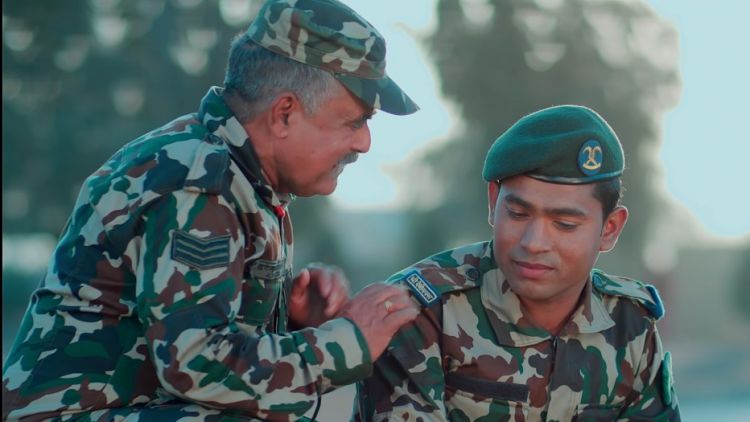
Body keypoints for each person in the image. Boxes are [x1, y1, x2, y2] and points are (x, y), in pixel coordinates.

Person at [2, 0, 422, 420]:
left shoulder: (236, 173)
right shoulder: (199, 181)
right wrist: (348, 342)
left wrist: (295, 323)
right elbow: (195, 363)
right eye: (354, 121)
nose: (364, 143)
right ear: (284, 114)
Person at [354, 105, 680, 421]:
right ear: (493, 202)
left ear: (609, 230)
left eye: (565, 224)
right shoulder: (421, 310)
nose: (534, 243)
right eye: (518, 213)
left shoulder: (630, 324)